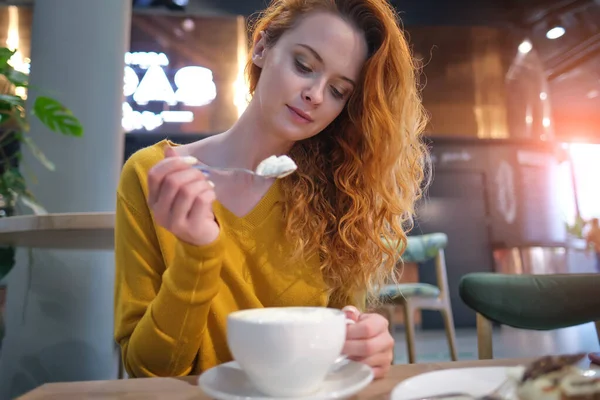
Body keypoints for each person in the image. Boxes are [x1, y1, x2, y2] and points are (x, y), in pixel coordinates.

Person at [114, 0, 429, 379]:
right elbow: (147, 368)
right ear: (262, 47)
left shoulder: (337, 198)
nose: (314, 94)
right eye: (304, 65)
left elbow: (341, 340)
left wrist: (367, 344)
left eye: (338, 90)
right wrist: (198, 255)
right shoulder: (155, 173)